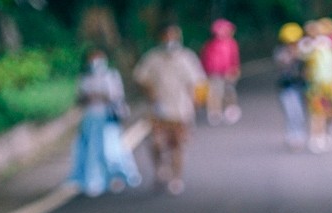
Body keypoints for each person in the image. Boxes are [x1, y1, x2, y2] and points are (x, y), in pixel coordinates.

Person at [134, 24, 206, 194]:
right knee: (156, 142)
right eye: (166, 37)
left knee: (178, 145)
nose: (169, 41)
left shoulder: (187, 58)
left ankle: (176, 177)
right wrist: (150, 92)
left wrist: (195, 102)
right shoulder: (152, 58)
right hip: (158, 109)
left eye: (172, 37)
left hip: (181, 110)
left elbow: (197, 83)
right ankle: (161, 169)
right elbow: (140, 78)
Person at [68, 47, 142, 196]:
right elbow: (80, 99)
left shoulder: (111, 76)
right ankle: (93, 181)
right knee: (91, 151)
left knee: (111, 150)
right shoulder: (84, 78)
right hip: (91, 119)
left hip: (108, 119)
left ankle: (116, 178)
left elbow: (116, 96)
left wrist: (103, 96)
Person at [300, 19, 332, 153]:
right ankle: (316, 136)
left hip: (330, 84)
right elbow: (303, 57)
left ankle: (323, 134)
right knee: (317, 112)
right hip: (316, 85)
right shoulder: (307, 45)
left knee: (329, 111)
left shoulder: (327, 44)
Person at [200, 19, 242, 124]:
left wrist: (235, 68)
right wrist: (205, 71)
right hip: (214, 72)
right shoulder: (210, 44)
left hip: (228, 72)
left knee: (229, 91)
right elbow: (205, 58)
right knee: (215, 93)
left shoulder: (231, 43)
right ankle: (214, 112)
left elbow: (234, 58)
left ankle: (230, 110)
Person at [274, 22, 308, 150]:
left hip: (300, 86)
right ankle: (292, 135)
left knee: (299, 112)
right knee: (291, 111)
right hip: (286, 86)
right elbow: (282, 63)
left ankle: (299, 134)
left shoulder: (303, 49)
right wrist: (292, 54)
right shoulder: (280, 52)